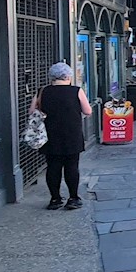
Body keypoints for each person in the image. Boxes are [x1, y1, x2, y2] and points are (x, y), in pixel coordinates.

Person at [31, 61, 92, 210]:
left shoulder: (42, 91)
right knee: (72, 166)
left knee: (53, 166)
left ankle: (55, 199)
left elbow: (32, 111)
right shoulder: (76, 91)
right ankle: (73, 198)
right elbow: (88, 111)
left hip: (50, 134)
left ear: (52, 77)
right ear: (68, 76)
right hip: (72, 133)